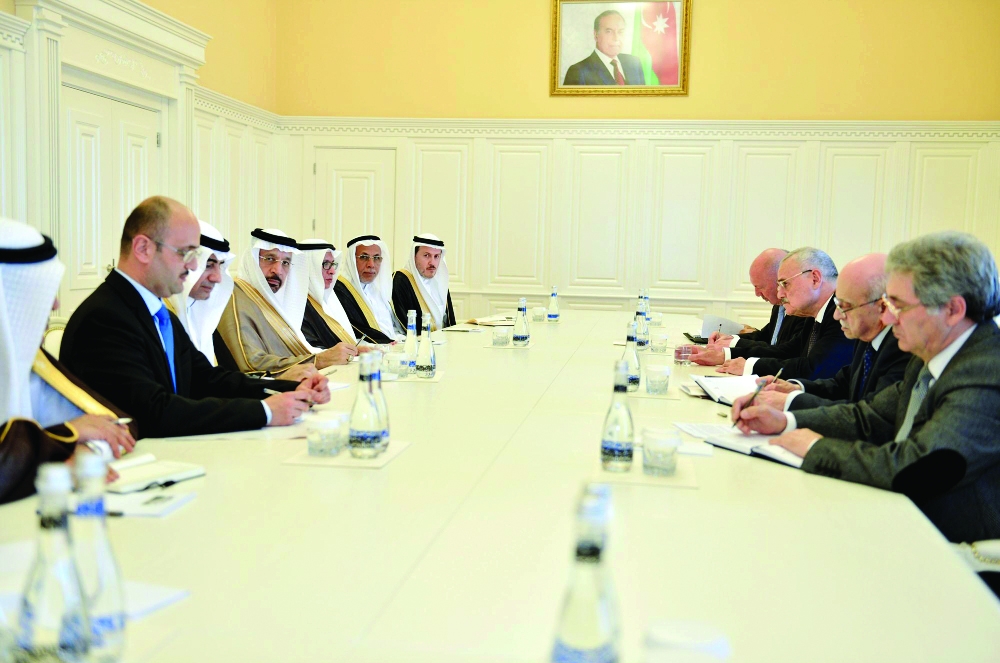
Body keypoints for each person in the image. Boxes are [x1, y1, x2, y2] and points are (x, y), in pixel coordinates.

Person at [731, 231, 1000, 545]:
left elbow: (917, 468)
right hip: (904, 517)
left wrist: (815, 447)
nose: (889, 318)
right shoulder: (932, 353)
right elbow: (871, 416)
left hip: (955, 547)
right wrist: (786, 421)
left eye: (899, 306)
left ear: (953, 309)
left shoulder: (986, 372)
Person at [61, 197, 327, 439]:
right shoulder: (105, 318)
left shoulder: (158, 314)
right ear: (143, 248)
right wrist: (264, 412)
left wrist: (289, 388)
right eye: (186, 253)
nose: (192, 266)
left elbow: (206, 379)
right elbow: (154, 412)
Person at [1, 218, 136, 503]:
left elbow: (116, 429)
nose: (54, 305)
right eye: (39, 291)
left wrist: (79, 451)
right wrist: (68, 437)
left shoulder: (31, 360)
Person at [750, 253, 911, 411]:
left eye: (846, 306)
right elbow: (844, 383)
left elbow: (870, 415)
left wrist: (791, 403)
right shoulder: (867, 336)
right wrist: (796, 388)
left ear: (882, 307)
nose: (837, 315)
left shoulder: (901, 348)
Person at [690, 247, 854, 381]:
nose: (780, 294)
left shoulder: (841, 313)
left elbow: (814, 369)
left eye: (785, 284)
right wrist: (726, 355)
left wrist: (749, 366)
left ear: (815, 279)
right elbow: (788, 351)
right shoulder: (815, 312)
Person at [217, 229, 355, 375]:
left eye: (286, 262)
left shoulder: (275, 299)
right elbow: (251, 364)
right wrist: (318, 360)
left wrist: (344, 352)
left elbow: (296, 349)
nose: (278, 270)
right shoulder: (234, 297)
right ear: (252, 260)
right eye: (269, 259)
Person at [701, 248, 807, 358]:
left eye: (760, 287)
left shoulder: (804, 310)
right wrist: (730, 339)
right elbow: (765, 336)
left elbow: (785, 352)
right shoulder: (779, 306)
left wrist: (729, 351)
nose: (757, 293)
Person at [163, 220, 234, 366]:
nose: (217, 278)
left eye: (220, 266)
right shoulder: (159, 316)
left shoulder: (202, 315)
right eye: (208, 265)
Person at [335, 235, 404, 343]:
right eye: (364, 257)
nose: (371, 265)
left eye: (376, 258)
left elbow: (391, 329)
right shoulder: (339, 290)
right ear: (352, 260)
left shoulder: (379, 289)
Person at [298, 239, 363, 350]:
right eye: (325, 264)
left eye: (333, 264)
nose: (332, 271)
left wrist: (358, 350)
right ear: (308, 266)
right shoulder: (298, 304)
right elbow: (311, 350)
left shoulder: (330, 298)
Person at [392, 234, 456, 334]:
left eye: (436, 256)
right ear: (414, 256)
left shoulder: (440, 282)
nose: (432, 263)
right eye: (426, 255)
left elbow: (448, 322)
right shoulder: (401, 280)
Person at [563, 10, 646, 86]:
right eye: (609, 31)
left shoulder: (634, 63)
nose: (616, 38)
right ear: (596, 35)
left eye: (620, 32)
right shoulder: (578, 72)